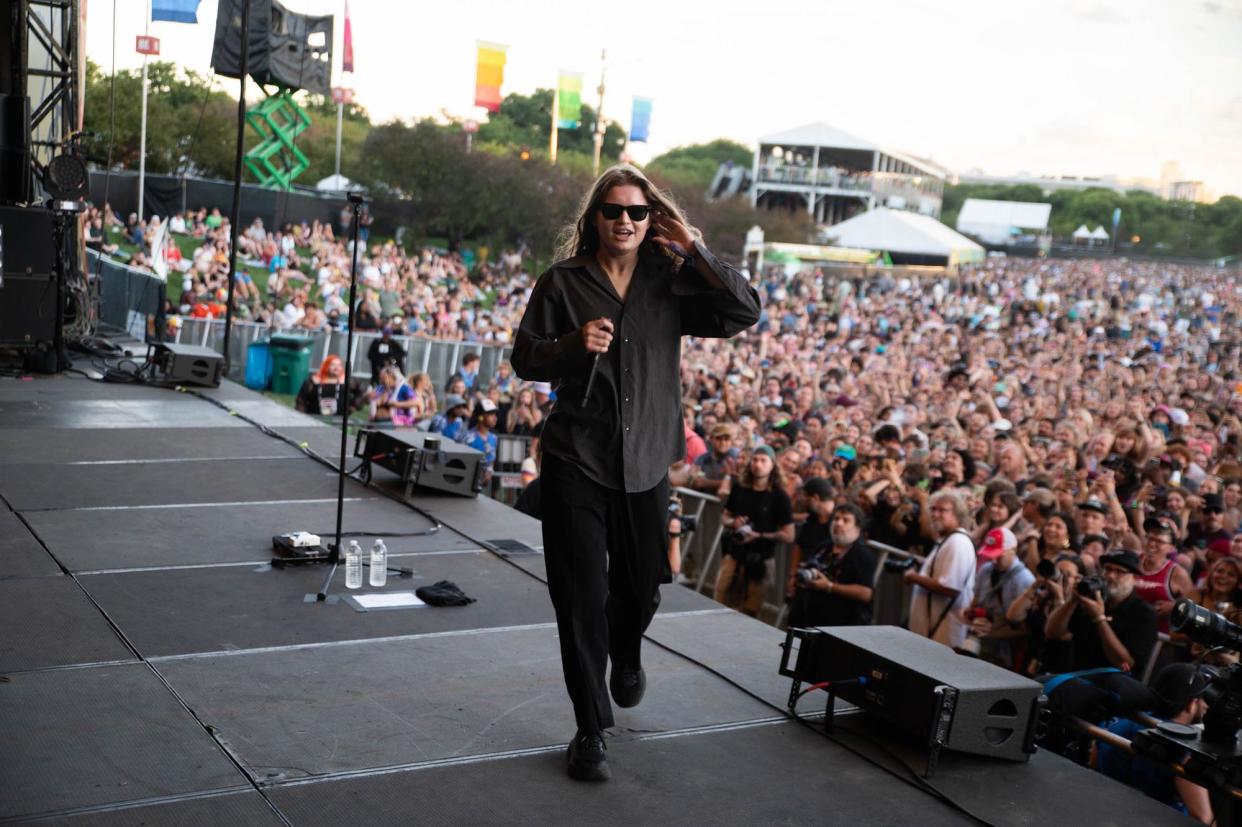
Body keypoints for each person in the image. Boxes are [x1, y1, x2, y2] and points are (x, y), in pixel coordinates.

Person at [510, 164, 760, 782]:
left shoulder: (668, 279)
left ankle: (628, 651)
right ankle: (590, 729)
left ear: (652, 220)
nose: (625, 220)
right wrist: (572, 344)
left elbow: (744, 310)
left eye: (637, 212)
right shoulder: (563, 281)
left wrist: (695, 249)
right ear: (594, 217)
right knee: (579, 599)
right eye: (614, 210)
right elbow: (523, 358)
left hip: (647, 460)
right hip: (576, 459)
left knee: (644, 585)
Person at [1045, 550, 1158, 676]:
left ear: (1134, 578)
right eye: (1108, 569)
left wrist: (1099, 619)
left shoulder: (1144, 613)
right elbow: (1052, 632)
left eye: (1119, 571)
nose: (1110, 576)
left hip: (1112, 686)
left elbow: (1125, 664)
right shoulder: (1090, 599)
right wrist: (1072, 600)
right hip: (1075, 677)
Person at [714, 445, 795, 618]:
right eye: (755, 459)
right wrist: (733, 522)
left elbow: (789, 534)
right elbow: (724, 517)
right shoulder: (740, 488)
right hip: (734, 555)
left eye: (763, 460)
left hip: (761, 559)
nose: (758, 464)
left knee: (749, 612)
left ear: (772, 464)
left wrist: (758, 536)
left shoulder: (779, 496)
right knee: (719, 602)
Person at [788, 499, 876, 628]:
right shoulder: (823, 548)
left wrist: (829, 586)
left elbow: (866, 593)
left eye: (846, 520)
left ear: (858, 527)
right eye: (836, 519)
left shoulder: (862, 555)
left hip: (839, 627)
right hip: (807, 621)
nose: (839, 523)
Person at [906, 491, 977, 649]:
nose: (935, 514)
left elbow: (950, 587)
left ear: (957, 514)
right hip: (929, 635)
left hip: (941, 637)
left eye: (942, 510)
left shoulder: (958, 542)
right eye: (933, 509)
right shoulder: (948, 540)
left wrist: (913, 577)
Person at [966, 527, 1036, 666]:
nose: (993, 560)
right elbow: (975, 603)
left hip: (1008, 651)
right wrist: (972, 616)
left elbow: (1028, 630)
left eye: (999, 555)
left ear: (1013, 550)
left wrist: (997, 632)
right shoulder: (986, 570)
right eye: (991, 555)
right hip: (980, 641)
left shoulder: (1024, 579)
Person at [294, 355, 367, 416]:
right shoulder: (313, 381)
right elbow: (301, 400)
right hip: (315, 417)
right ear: (326, 366)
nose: (336, 368)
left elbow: (361, 391)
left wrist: (353, 405)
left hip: (339, 419)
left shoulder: (347, 381)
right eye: (333, 365)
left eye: (339, 365)